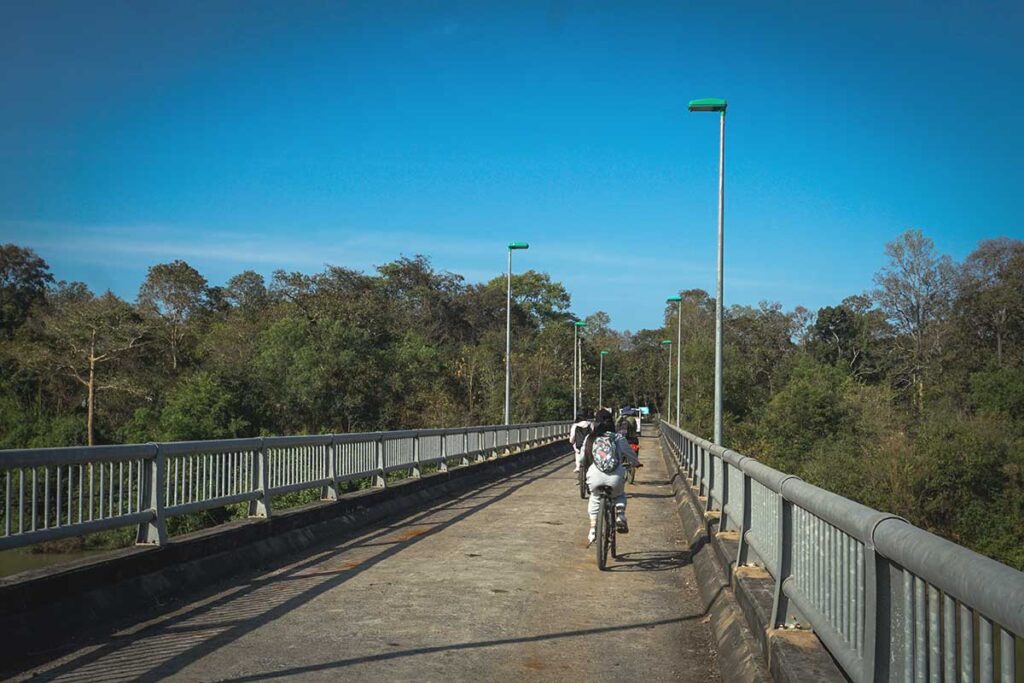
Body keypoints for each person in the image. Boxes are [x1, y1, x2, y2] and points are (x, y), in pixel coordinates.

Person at [584, 408, 640, 544]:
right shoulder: (618, 438)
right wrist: (636, 463)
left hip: (595, 475)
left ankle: (592, 528)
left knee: (595, 497)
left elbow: (581, 459)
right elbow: (630, 455)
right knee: (619, 495)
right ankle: (620, 514)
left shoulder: (590, 438)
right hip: (615, 476)